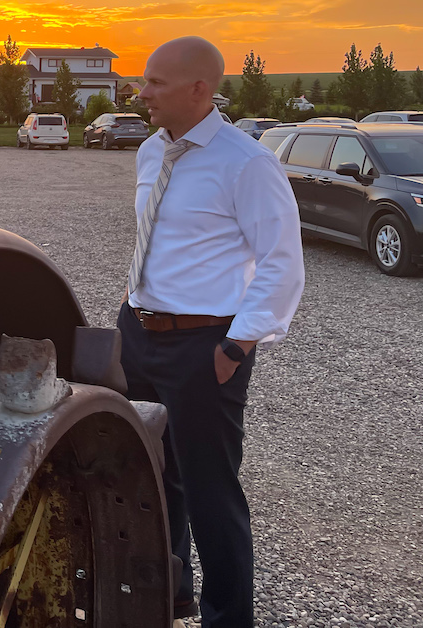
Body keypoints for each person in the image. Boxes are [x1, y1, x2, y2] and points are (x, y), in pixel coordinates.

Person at [121, 37, 304, 628]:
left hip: (205, 347)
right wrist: (131, 313)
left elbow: (281, 262)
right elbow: (160, 238)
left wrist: (237, 344)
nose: (141, 92)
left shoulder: (245, 161)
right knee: (151, 475)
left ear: (199, 90)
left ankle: (229, 619)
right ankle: (169, 591)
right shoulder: (153, 151)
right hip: (141, 333)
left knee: (210, 493)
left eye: (155, 83)